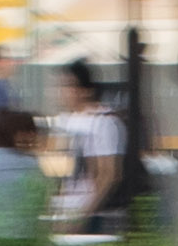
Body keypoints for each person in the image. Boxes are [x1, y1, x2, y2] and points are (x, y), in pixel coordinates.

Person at [52, 63, 131, 235]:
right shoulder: (67, 121)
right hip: (67, 210)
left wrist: (83, 216)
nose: (63, 92)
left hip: (93, 215)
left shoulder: (104, 123)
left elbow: (108, 174)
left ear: (86, 89)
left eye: (69, 85)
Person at [0, 105, 50, 242]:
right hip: (24, 240)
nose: (34, 137)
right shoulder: (29, 165)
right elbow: (43, 204)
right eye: (29, 131)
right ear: (15, 134)